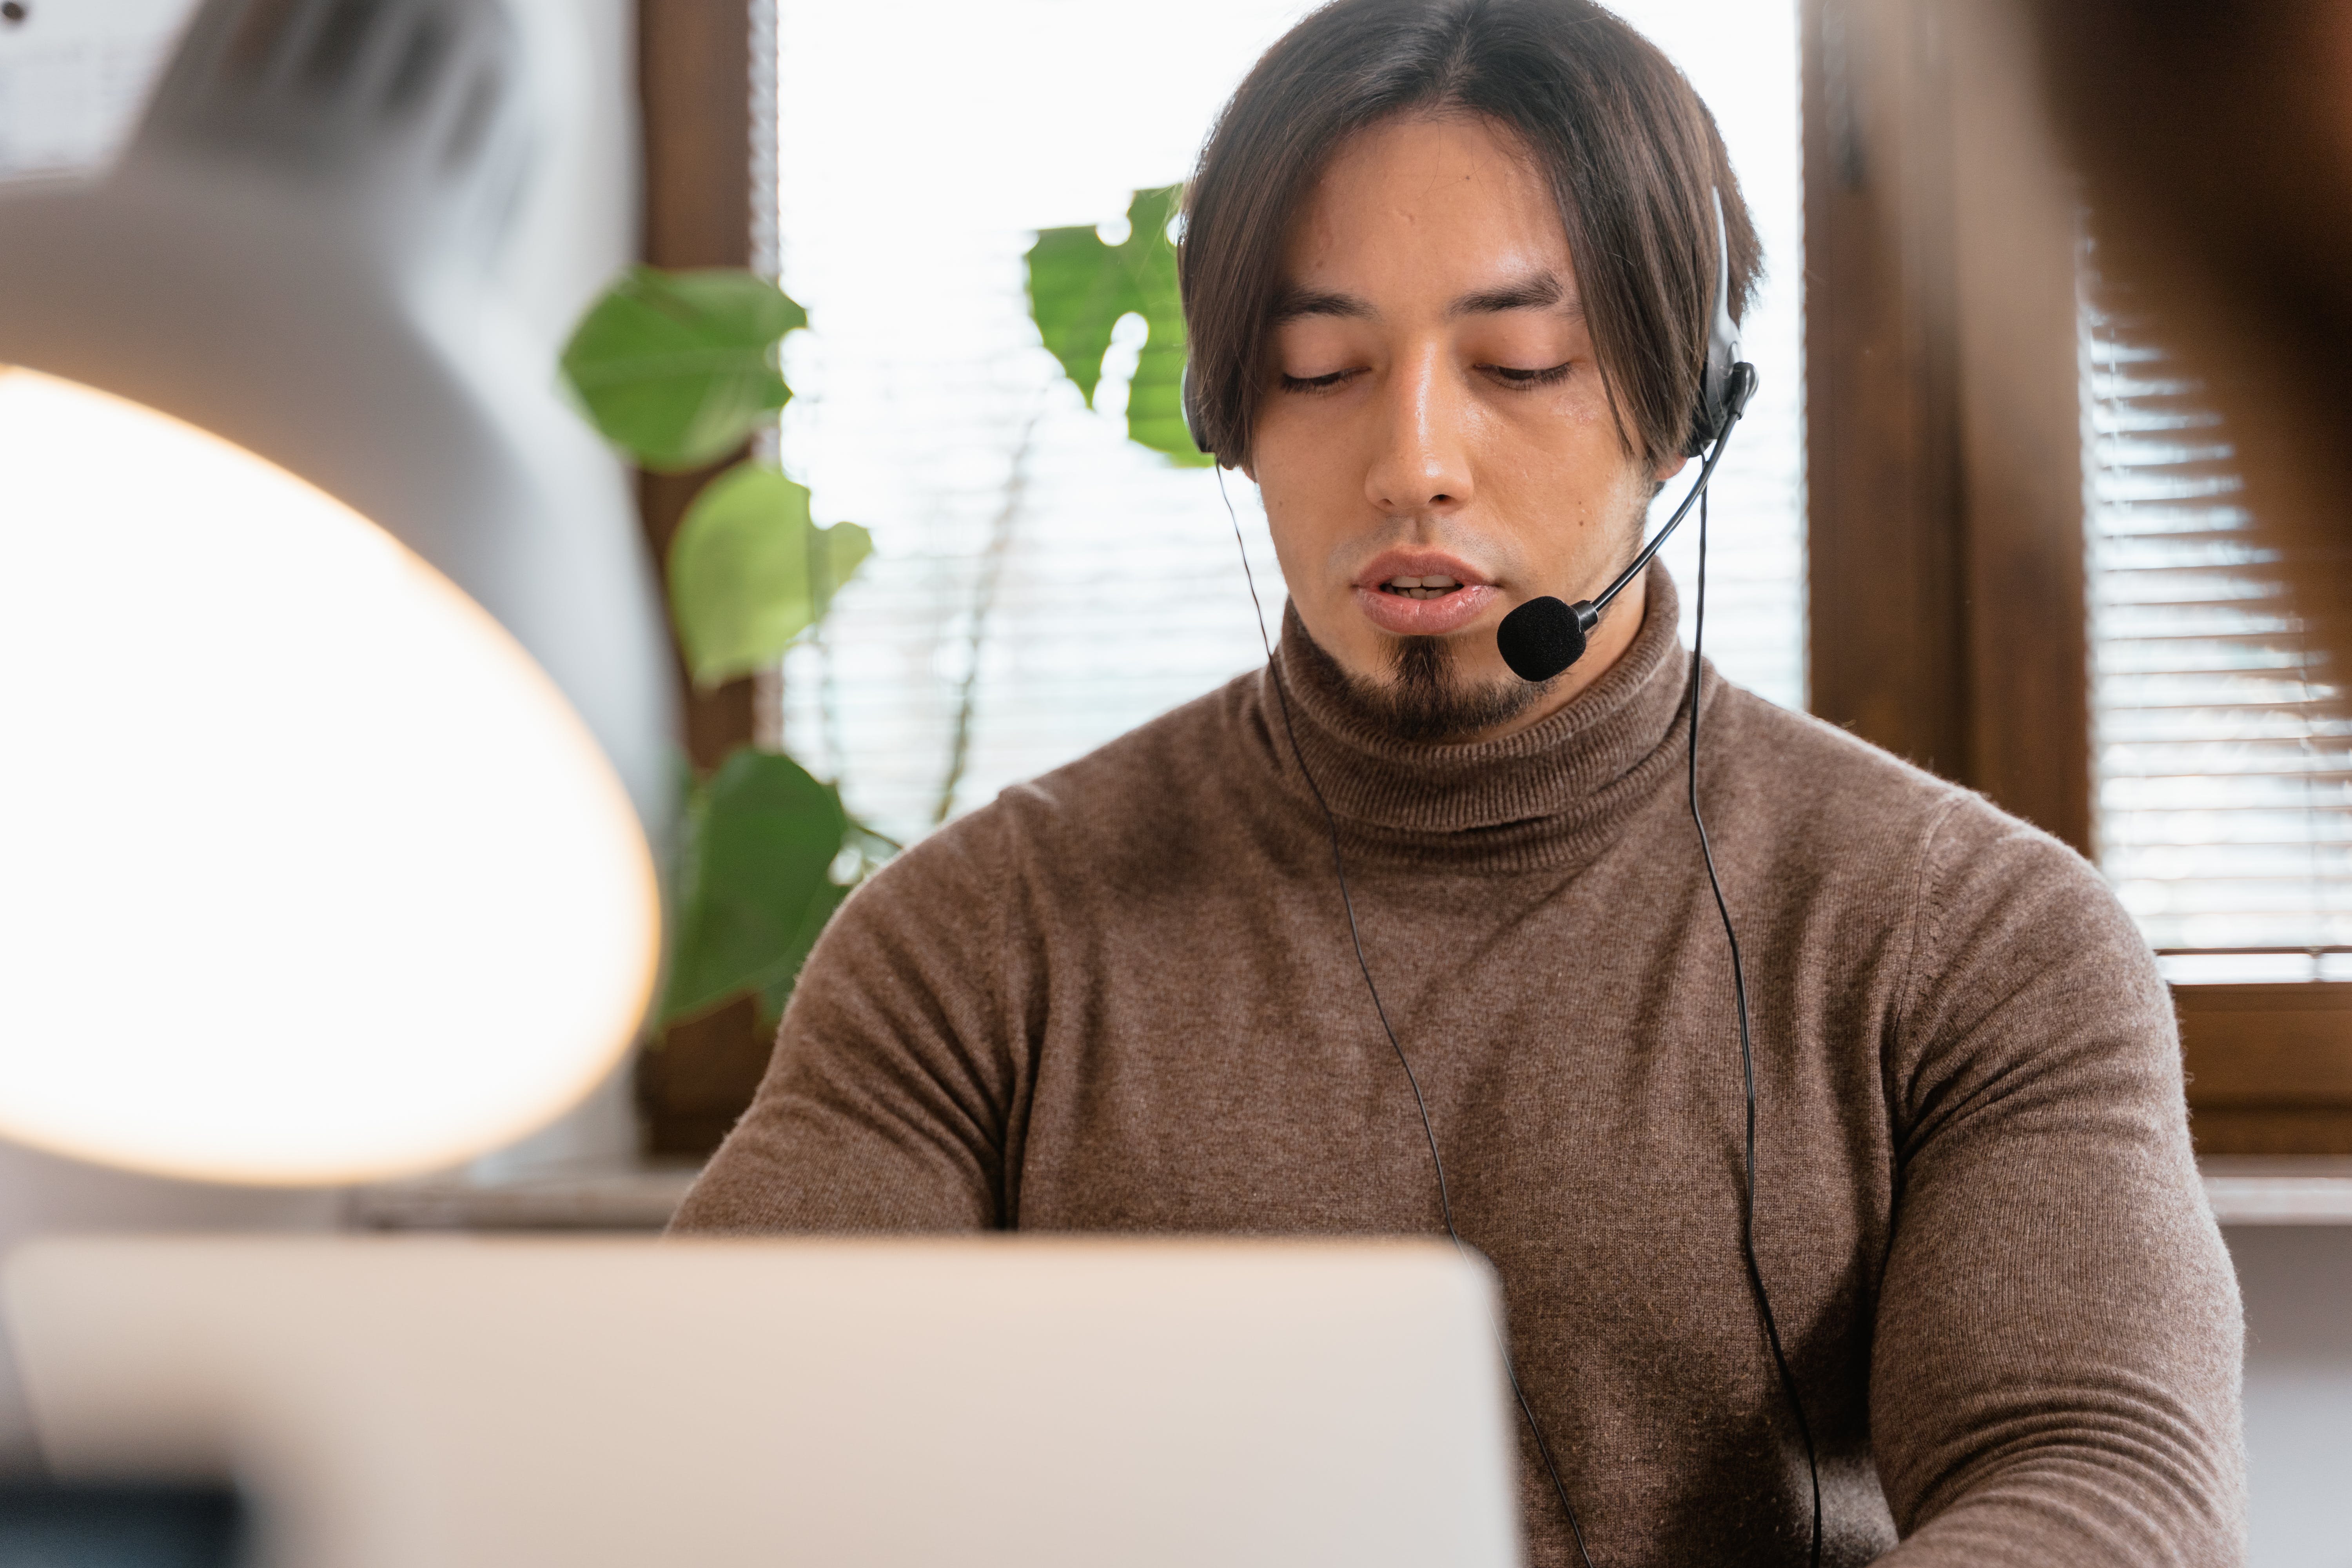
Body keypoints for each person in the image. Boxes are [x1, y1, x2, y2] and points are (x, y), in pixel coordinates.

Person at [674, 2, 2246, 1562]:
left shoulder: (1975, 940)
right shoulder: (973, 945)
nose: (1414, 457)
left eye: (1521, 363)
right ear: (1230, 412)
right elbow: (711, 1448)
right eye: (1320, 366)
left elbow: (2104, 1479)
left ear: (1684, 408)